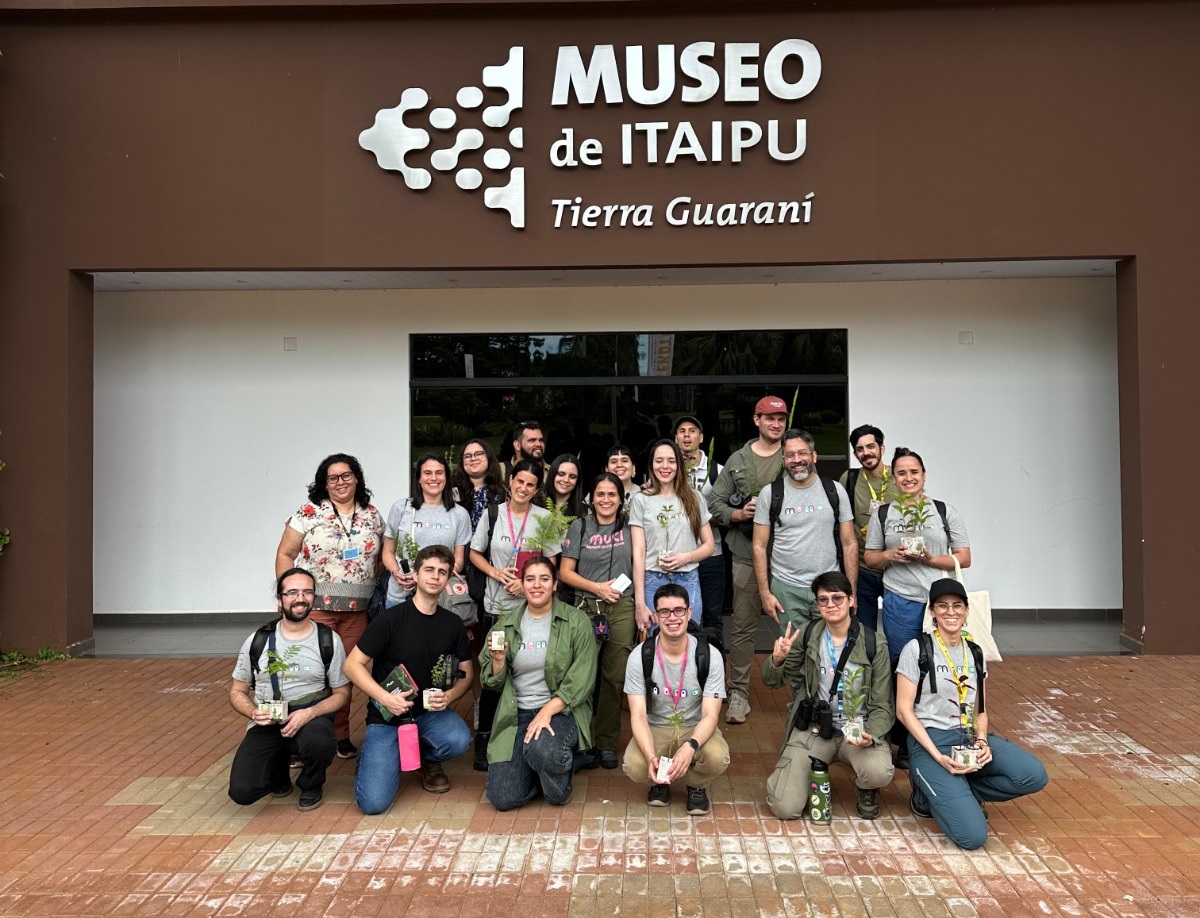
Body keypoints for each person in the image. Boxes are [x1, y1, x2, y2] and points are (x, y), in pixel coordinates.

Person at [896, 579, 1048, 849]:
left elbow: (981, 710)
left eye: (957, 606)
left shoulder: (975, 652)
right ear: (932, 612)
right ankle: (924, 796)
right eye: (942, 606)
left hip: (966, 737)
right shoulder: (917, 649)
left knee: (1033, 775)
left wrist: (982, 742)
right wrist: (937, 756)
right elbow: (903, 711)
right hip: (930, 740)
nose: (950, 612)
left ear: (967, 611)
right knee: (972, 837)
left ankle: (960, 791)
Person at [344, 545, 475, 812]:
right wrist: (385, 698)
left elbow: (467, 674)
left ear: (448, 579)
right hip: (388, 717)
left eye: (442, 572)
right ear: (415, 575)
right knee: (373, 804)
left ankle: (426, 759)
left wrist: (449, 696)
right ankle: (377, 757)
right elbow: (352, 665)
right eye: (429, 570)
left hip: (428, 714)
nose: (435, 576)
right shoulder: (390, 620)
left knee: (458, 739)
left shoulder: (452, 623)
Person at [275, 453, 385, 759]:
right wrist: (290, 594)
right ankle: (298, 737)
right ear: (324, 483)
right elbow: (285, 553)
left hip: (356, 612)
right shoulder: (308, 513)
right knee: (311, 672)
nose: (341, 482)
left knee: (346, 674)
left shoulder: (373, 516)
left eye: (346, 475)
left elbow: (378, 561)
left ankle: (340, 735)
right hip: (316, 609)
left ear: (357, 478)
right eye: (333, 477)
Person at [762, 571, 893, 821]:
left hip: (857, 730)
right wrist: (777, 659)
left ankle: (866, 788)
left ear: (852, 600)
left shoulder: (874, 643)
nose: (830, 605)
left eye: (837, 598)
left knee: (879, 772)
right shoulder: (808, 635)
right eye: (823, 600)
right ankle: (805, 773)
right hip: (815, 728)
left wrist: (872, 735)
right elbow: (772, 681)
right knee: (785, 808)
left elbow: (883, 704)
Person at [228, 568, 351, 812]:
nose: (300, 598)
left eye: (307, 592)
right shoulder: (258, 640)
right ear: (280, 599)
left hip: (309, 717)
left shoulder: (328, 640)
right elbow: (236, 691)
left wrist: (311, 713)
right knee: (242, 792)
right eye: (292, 592)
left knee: (320, 740)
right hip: (267, 720)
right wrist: (253, 712)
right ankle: (278, 773)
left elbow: (343, 693)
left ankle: (311, 783)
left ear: (314, 598)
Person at [480, 557, 598, 810]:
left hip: (561, 711)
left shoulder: (576, 621)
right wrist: (499, 662)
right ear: (521, 584)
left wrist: (546, 712)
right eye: (530, 579)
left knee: (543, 752)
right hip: (517, 714)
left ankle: (557, 779)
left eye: (544, 579)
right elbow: (490, 681)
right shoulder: (506, 623)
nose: (537, 585)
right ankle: (540, 768)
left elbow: (582, 679)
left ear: (555, 584)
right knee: (502, 798)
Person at [468, 459, 563, 769]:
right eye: (519, 482)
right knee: (494, 674)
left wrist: (526, 586)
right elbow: (473, 553)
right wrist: (496, 573)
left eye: (530, 485)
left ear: (537, 490)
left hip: (530, 610)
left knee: (526, 670)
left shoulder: (544, 518)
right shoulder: (493, 513)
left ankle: (524, 731)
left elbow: (552, 564)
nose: (523, 488)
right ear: (511, 482)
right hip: (496, 611)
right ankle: (484, 736)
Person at [708, 396, 788, 725]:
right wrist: (738, 513)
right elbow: (714, 501)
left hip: (787, 556)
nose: (776, 423)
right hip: (744, 553)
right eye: (769, 418)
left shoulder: (794, 455)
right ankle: (739, 692)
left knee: (796, 625)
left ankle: (802, 692)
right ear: (757, 420)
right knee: (742, 627)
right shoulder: (738, 461)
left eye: (781, 418)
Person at [622, 584, 729, 815]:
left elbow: (711, 715)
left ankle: (696, 785)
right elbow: (638, 716)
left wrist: (690, 747)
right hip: (656, 726)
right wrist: (651, 755)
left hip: (694, 726)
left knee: (717, 757)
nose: (672, 618)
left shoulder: (709, 655)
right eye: (664, 612)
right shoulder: (640, 656)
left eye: (679, 610)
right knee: (635, 765)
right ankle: (658, 782)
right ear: (656, 615)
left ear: (689, 613)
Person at [863, 447, 971, 664]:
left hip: (941, 600)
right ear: (894, 478)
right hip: (900, 600)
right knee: (902, 660)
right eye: (901, 473)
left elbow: (964, 558)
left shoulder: (944, 511)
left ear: (924, 474)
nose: (908, 478)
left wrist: (931, 560)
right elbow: (870, 558)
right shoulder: (883, 515)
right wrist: (890, 555)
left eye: (914, 472)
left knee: (943, 660)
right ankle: (905, 700)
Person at [559, 473, 635, 770]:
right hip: (586, 606)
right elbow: (565, 572)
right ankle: (582, 742)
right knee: (583, 677)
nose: (606, 500)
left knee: (614, 678)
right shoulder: (579, 527)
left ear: (621, 498)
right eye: (600, 494)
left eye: (612, 495)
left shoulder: (631, 528)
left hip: (623, 606)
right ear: (591, 499)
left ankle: (606, 743)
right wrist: (597, 587)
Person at [752, 429, 858, 634]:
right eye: (790, 455)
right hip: (787, 589)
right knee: (793, 653)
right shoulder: (771, 494)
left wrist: (851, 591)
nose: (797, 460)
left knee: (832, 647)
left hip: (830, 587)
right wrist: (765, 593)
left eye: (802, 453)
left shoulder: (834, 491)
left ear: (814, 456)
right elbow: (759, 545)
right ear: (783, 459)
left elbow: (849, 543)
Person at [629, 439, 715, 631]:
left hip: (688, 578)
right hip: (653, 578)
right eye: (659, 460)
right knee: (655, 639)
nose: (665, 466)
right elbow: (639, 552)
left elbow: (709, 545)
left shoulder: (693, 497)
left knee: (689, 637)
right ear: (651, 464)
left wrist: (686, 557)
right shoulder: (641, 500)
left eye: (671, 460)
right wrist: (640, 602)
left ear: (678, 465)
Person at [381, 453, 472, 609]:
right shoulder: (401, 508)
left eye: (439, 473)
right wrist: (396, 573)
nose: (433, 478)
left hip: (440, 597)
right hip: (401, 595)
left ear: (446, 477)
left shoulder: (459, 514)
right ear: (419, 478)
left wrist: (437, 577)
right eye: (427, 473)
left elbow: (458, 560)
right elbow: (388, 551)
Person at [675, 416, 726, 650]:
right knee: (679, 616)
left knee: (713, 616)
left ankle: (713, 670)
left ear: (701, 438)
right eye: (682, 431)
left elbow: (726, 512)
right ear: (675, 438)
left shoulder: (717, 471)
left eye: (692, 431)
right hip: (678, 558)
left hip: (710, 556)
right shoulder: (667, 470)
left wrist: (702, 521)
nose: (687, 435)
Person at [839, 425, 891, 631]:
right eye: (860, 449)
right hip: (862, 571)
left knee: (896, 632)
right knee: (863, 632)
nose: (866, 453)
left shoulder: (899, 478)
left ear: (882, 448)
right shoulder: (849, 480)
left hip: (894, 570)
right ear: (855, 453)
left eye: (871, 446)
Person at [544, 454, 582, 518]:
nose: (566, 480)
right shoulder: (534, 503)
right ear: (552, 475)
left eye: (572, 477)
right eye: (561, 474)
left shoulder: (585, 513)